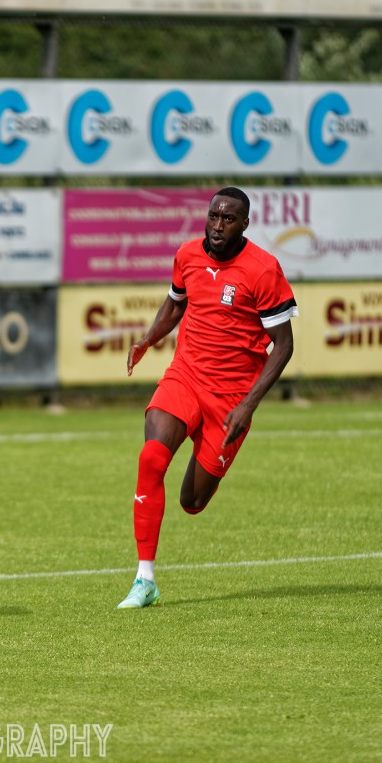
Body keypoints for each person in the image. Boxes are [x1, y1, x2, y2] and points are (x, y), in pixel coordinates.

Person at [117, 186, 298, 609]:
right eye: (214, 215)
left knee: (191, 502)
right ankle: (145, 579)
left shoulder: (262, 270)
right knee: (151, 458)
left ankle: (213, 453)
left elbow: (284, 345)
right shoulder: (187, 255)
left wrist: (248, 405)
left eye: (228, 218)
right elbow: (175, 303)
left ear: (245, 224)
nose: (218, 225)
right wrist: (148, 339)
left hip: (231, 398)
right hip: (185, 377)